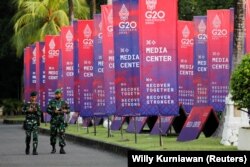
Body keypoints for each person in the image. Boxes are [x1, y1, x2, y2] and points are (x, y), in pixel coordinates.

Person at [47, 89, 70, 154]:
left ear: (61, 94)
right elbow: (47, 110)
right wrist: (54, 111)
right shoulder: (51, 102)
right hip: (54, 121)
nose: (57, 95)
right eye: (56, 94)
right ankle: (53, 148)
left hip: (61, 121)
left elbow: (68, 109)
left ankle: (62, 148)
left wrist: (65, 111)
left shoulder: (64, 102)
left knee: (62, 133)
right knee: (53, 134)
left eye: (58, 93)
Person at [22, 91, 41, 155]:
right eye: (33, 97)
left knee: (35, 136)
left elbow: (39, 113)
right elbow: (22, 111)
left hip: (35, 122)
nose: (34, 98)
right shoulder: (26, 104)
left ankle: (34, 150)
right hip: (28, 122)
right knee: (28, 136)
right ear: (30, 97)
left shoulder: (37, 104)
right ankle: (27, 146)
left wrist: (36, 111)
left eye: (35, 97)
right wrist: (28, 110)